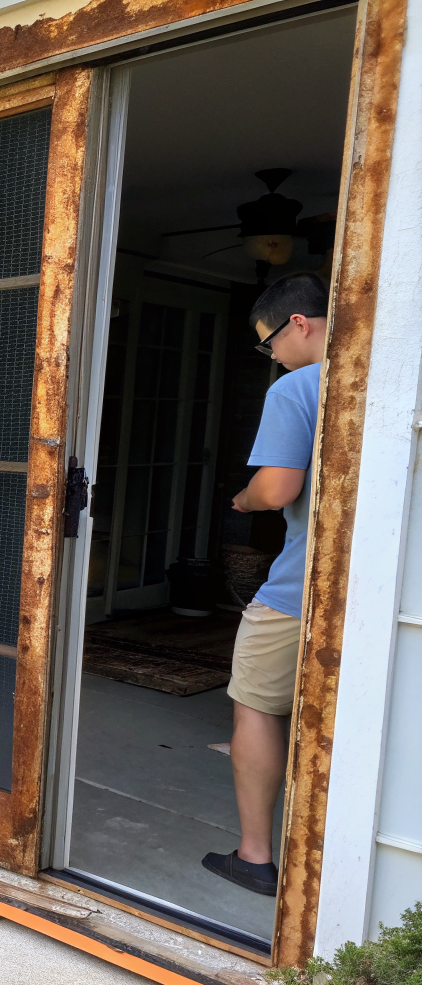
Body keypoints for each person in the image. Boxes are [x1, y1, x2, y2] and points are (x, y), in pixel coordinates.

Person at [203, 272, 329, 897]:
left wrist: (246, 500)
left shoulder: (296, 388)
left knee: (255, 703)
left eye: (269, 343)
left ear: (298, 325)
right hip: (369, 591)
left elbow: (278, 488)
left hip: (299, 587)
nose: (271, 356)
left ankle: (254, 856)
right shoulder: (386, 372)